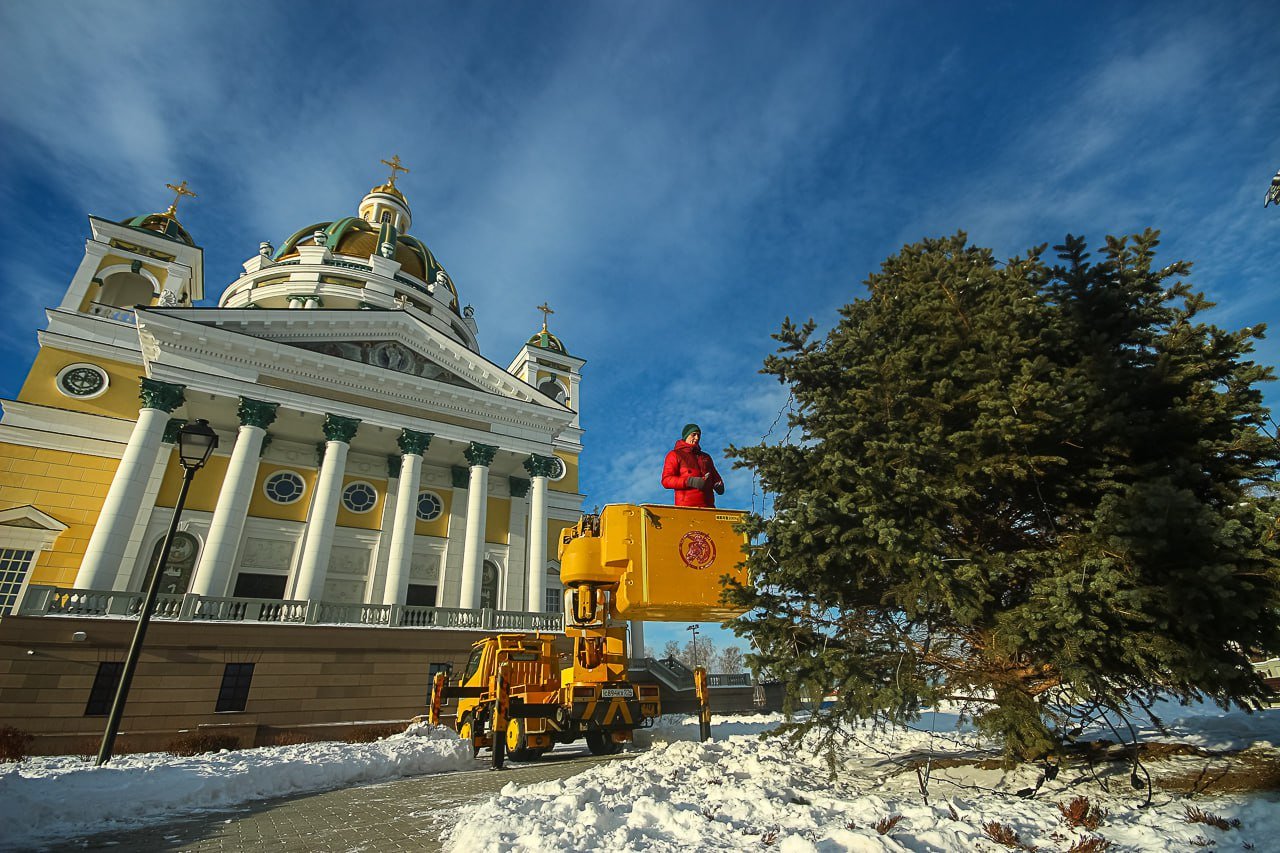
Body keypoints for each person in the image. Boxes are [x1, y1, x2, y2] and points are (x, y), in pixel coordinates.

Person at [661, 423, 725, 507]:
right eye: (693, 435)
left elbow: (715, 477)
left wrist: (718, 485)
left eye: (699, 435)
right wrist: (690, 481)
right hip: (686, 508)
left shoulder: (706, 457)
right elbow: (666, 480)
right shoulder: (674, 455)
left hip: (709, 508)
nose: (697, 438)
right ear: (686, 436)